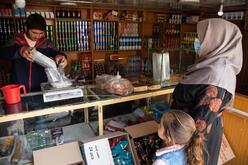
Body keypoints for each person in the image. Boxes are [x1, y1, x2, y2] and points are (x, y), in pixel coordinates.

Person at [171, 18, 243, 165]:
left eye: (201, 37)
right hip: (183, 133)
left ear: (217, 39)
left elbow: (199, 126)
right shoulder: (210, 65)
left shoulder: (217, 76)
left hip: (194, 143)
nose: (197, 41)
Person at [0, 13, 67, 92]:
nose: (38, 36)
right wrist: (20, 51)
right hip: (20, 87)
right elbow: (3, 53)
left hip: (42, 87)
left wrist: (61, 56)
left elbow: (57, 53)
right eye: (34, 33)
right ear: (26, 28)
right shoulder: (15, 40)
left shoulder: (47, 43)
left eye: (41, 33)